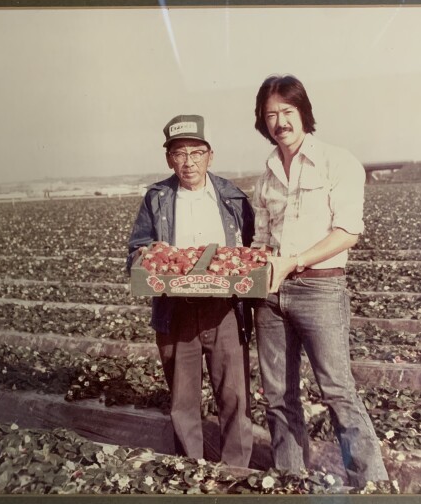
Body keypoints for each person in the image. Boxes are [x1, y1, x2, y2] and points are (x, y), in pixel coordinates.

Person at [250, 75, 389, 487]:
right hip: (271, 293)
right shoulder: (266, 175)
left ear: (303, 113)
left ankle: (369, 481)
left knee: (337, 389)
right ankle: (290, 476)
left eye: (287, 112)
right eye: (270, 114)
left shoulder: (337, 161)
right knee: (278, 395)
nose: (280, 122)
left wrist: (295, 260)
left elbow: (348, 231)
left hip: (320, 289)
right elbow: (260, 239)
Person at [126, 114, 254, 467]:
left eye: (196, 153)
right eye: (180, 153)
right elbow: (136, 248)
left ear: (210, 155)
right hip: (176, 310)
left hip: (225, 310)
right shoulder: (158, 198)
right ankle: (190, 471)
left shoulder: (233, 197)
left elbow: (251, 250)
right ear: (169, 158)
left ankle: (236, 472)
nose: (188, 162)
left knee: (234, 397)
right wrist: (144, 256)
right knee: (183, 401)